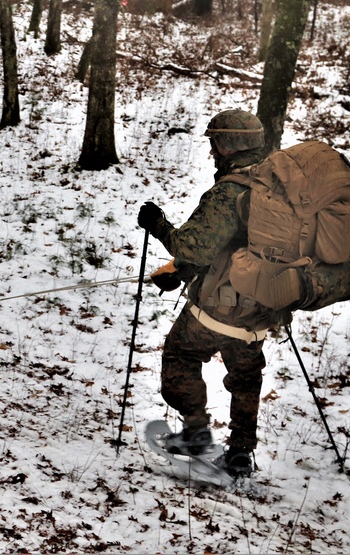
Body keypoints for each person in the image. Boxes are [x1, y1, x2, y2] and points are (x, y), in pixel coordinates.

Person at [136, 109, 280, 479]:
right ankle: (239, 455)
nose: (212, 152)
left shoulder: (229, 191)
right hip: (265, 305)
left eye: (214, 142)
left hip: (219, 308)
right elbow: (235, 245)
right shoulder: (279, 188)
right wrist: (184, 273)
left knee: (180, 354)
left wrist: (158, 225)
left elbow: (192, 246)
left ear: (229, 144)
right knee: (246, 378)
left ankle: (197, 433)